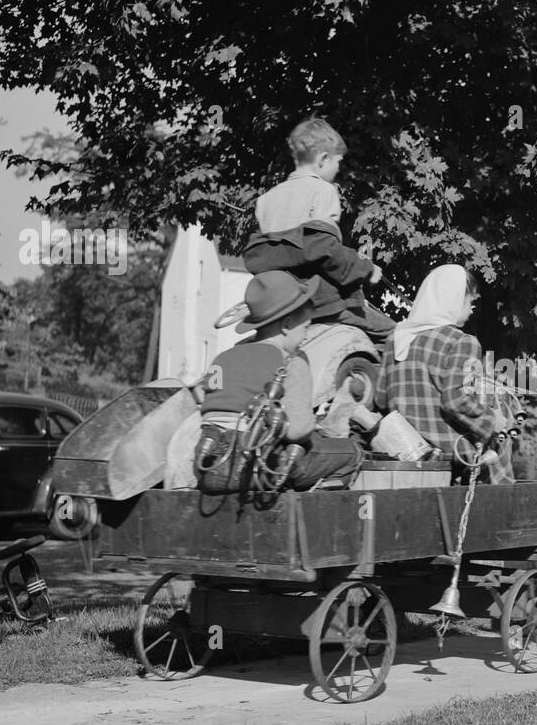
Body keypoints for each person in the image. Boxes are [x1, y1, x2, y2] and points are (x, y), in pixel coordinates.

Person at [196, 272, 363, 494]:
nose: (305, 337)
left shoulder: (224, 357)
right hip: (256, 466)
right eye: (305, 328)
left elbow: (207, 401)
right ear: (286, 325)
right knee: (351, 452)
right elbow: (297, 430)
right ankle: (311, 506)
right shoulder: (290, 361)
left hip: (210, 465)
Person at [247, 119, 395, 343]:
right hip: (321, 303)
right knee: (395, 335)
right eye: (338, 161)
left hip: (281, 304)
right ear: (324, 159)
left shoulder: (266, 200)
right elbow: (325, 250)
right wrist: (366, 269)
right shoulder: (323, 192)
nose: (338, 169)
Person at [374, 264, 511, 479]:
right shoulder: (462, 342)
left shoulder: (396, 339)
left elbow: (380, 400)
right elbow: (456, 402)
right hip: (451, 458)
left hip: (400, 456)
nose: (472, 308)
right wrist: (493, 421)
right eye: (469, 301)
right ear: (453, 299)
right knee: (501, 446)